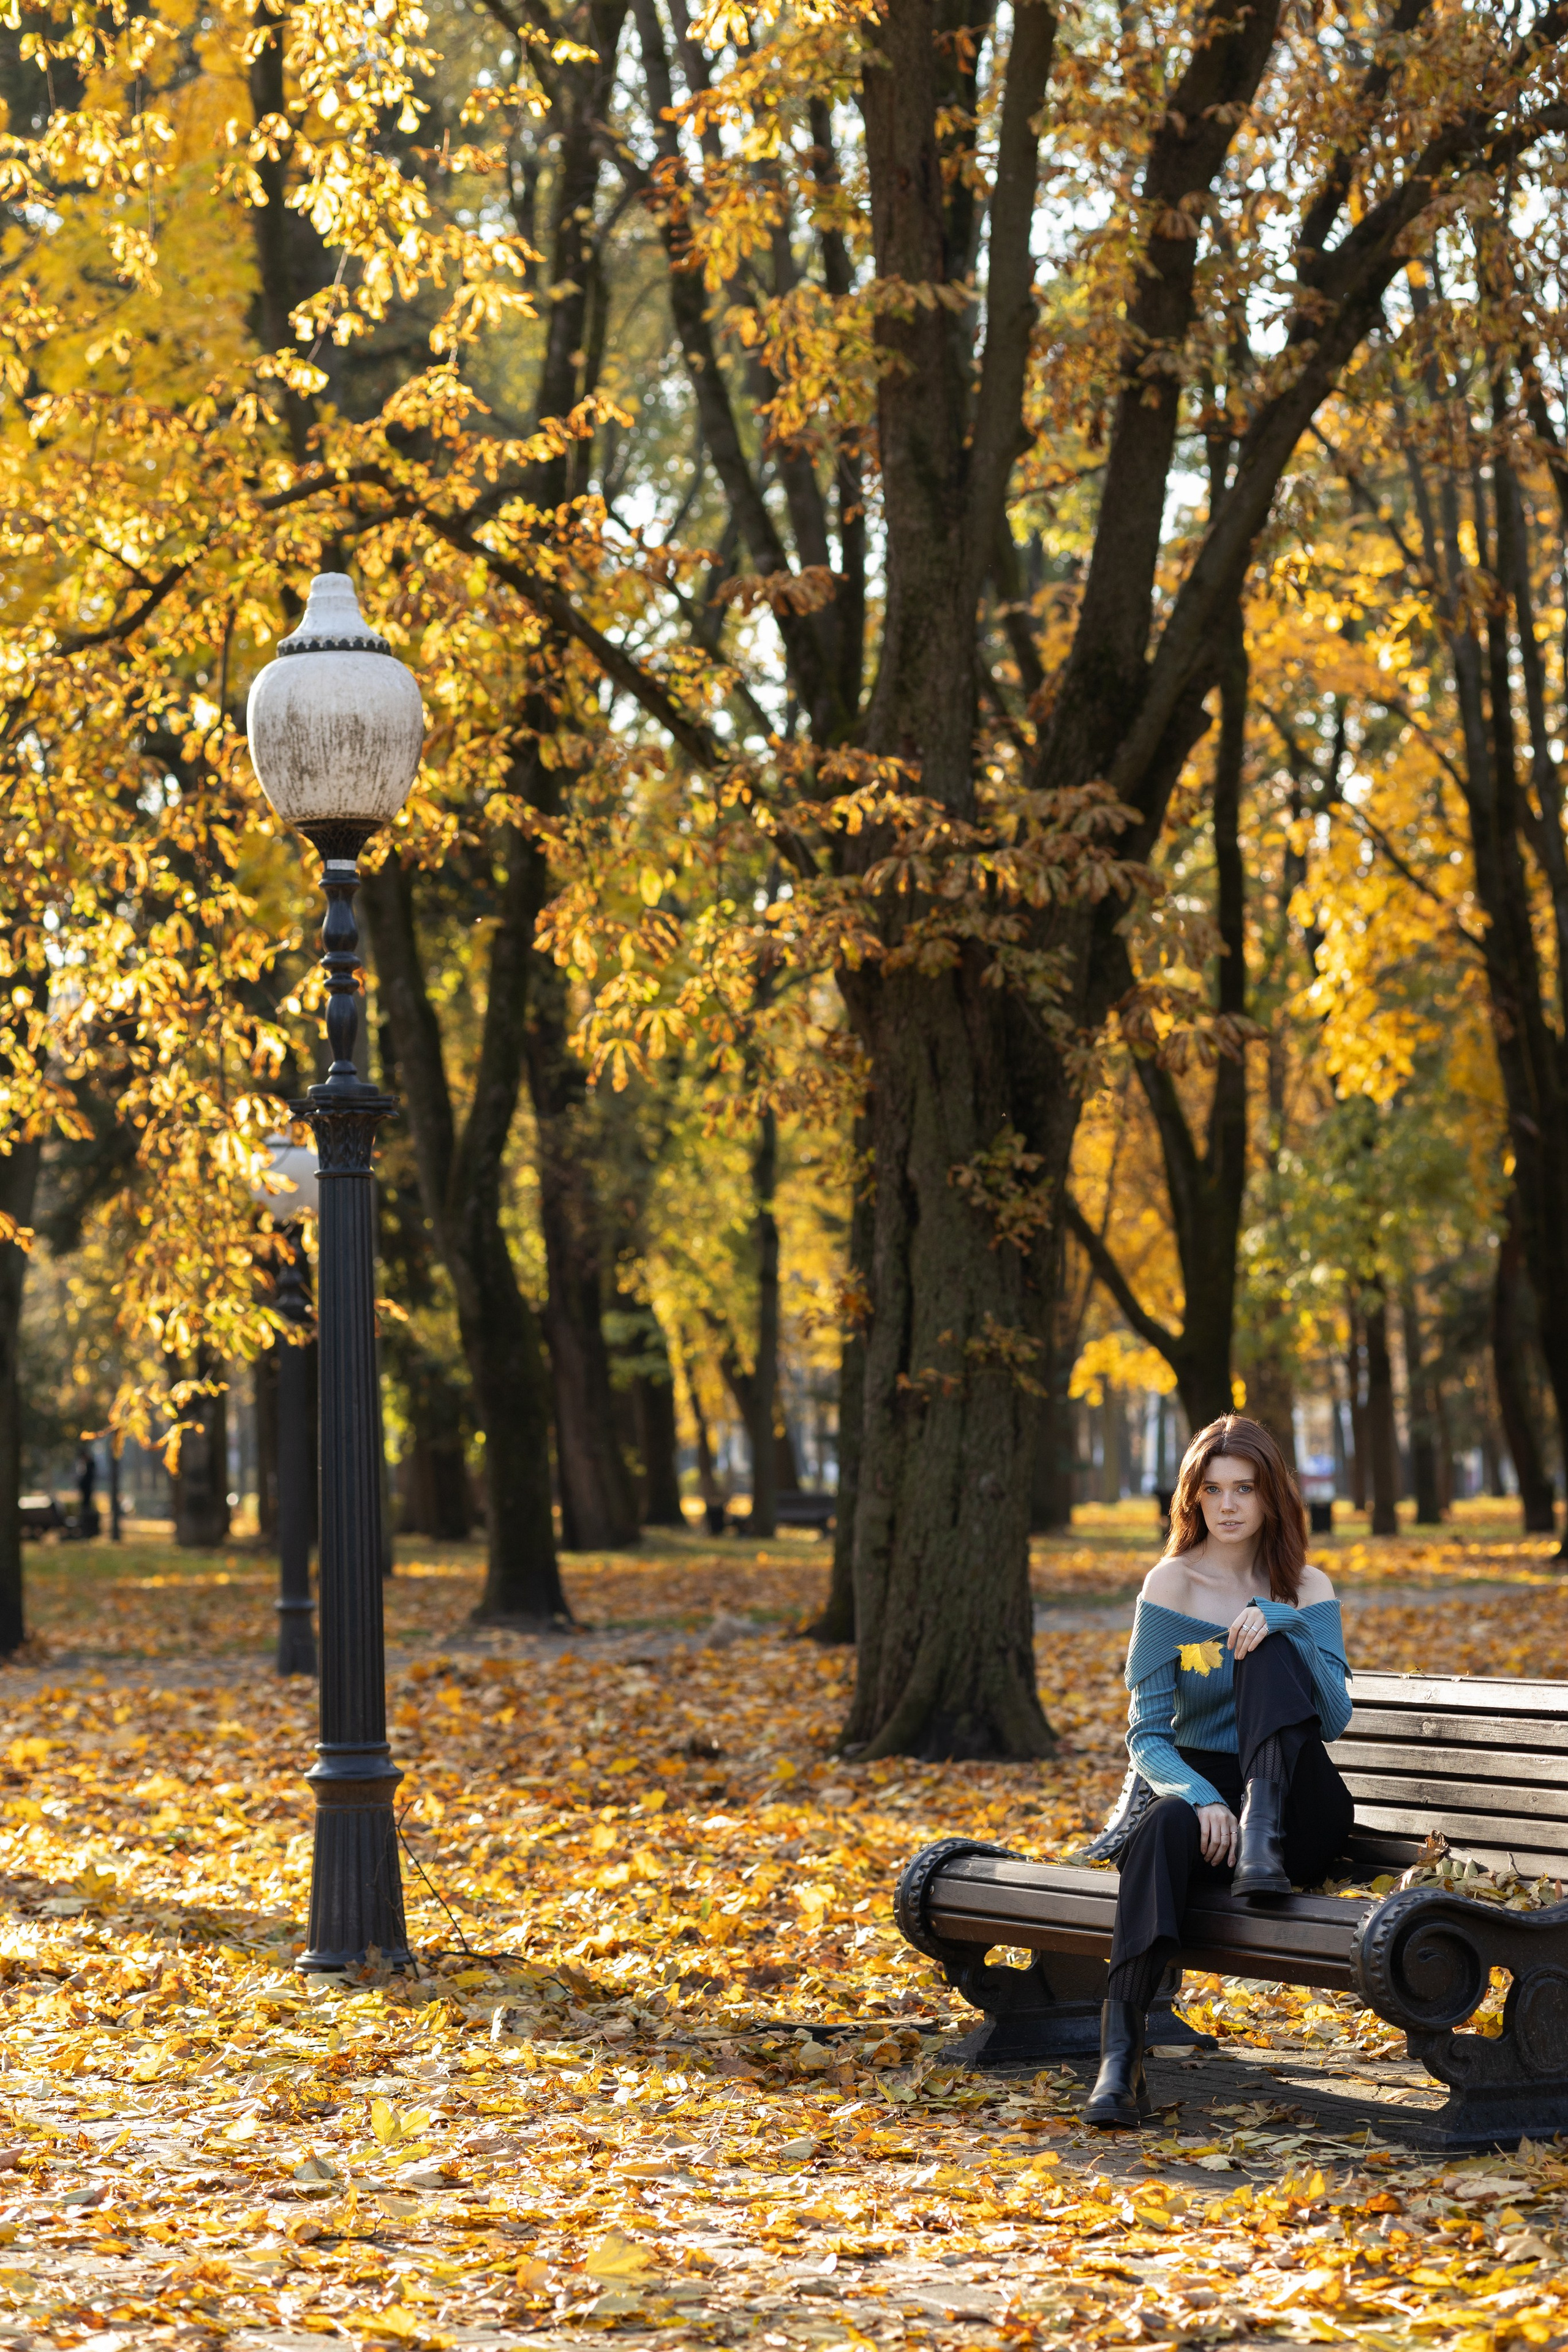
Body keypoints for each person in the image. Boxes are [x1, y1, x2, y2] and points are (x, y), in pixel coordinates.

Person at [1084, 1413, 1353, 2129]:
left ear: (1271, 1497)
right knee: (1161, 1828)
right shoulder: (1170, 1586)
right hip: (1212, 1810)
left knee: (1264, 1641)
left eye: (1245, 1488)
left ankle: (1259, 1836)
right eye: (1212, 1489)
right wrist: (1203, 1799)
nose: (1229, 1505)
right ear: (1192, 1499)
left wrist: (1286, 1621)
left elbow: (1331, 1719)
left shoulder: (1308, 1585)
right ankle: (1121, 2056)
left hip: (1298, 1806)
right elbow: (1145, 1735)